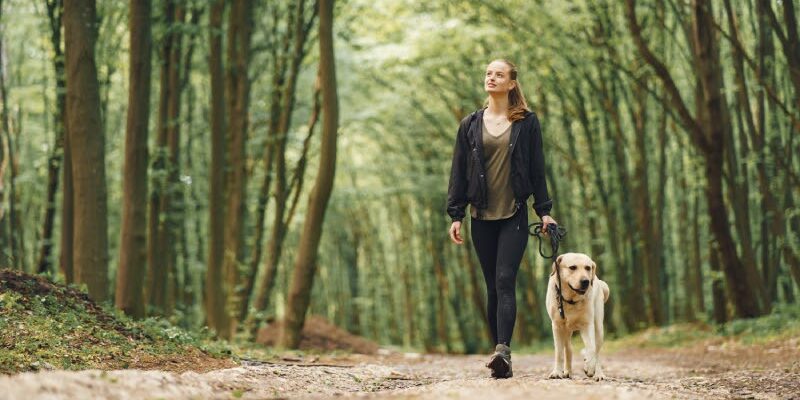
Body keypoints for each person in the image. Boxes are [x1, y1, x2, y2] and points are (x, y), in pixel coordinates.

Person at [446, 59, 557, 379]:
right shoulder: (469, 124)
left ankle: (503, 351)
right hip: (480, 214)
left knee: (505, 279)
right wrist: (456, 214)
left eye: (499, 74)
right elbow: (458, 171)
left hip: (515, 214)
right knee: (492, 287)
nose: (491, 78)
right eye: (488, 73)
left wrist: (545, 210)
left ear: (511, 83)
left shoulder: (527, 122)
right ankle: (499, 353)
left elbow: (537, 168)